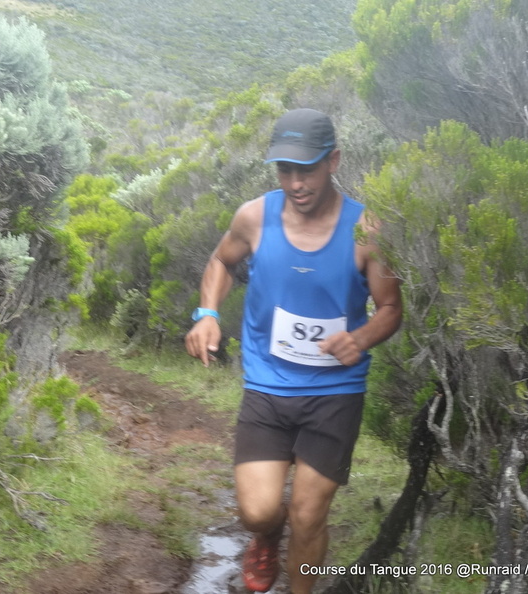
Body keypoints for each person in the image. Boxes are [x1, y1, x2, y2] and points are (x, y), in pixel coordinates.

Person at [185, 108, 402, 593]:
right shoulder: (254, 217)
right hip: (267, 386)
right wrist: (208, 313)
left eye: (307, 169)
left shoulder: (367, 230)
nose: (296, 183)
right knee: (257, 511)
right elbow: (221, 261)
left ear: (334, 161)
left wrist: (360, 338)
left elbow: (390, 308)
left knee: (309, 515)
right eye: (285, 170)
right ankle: (266, 535)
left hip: (335, 392)